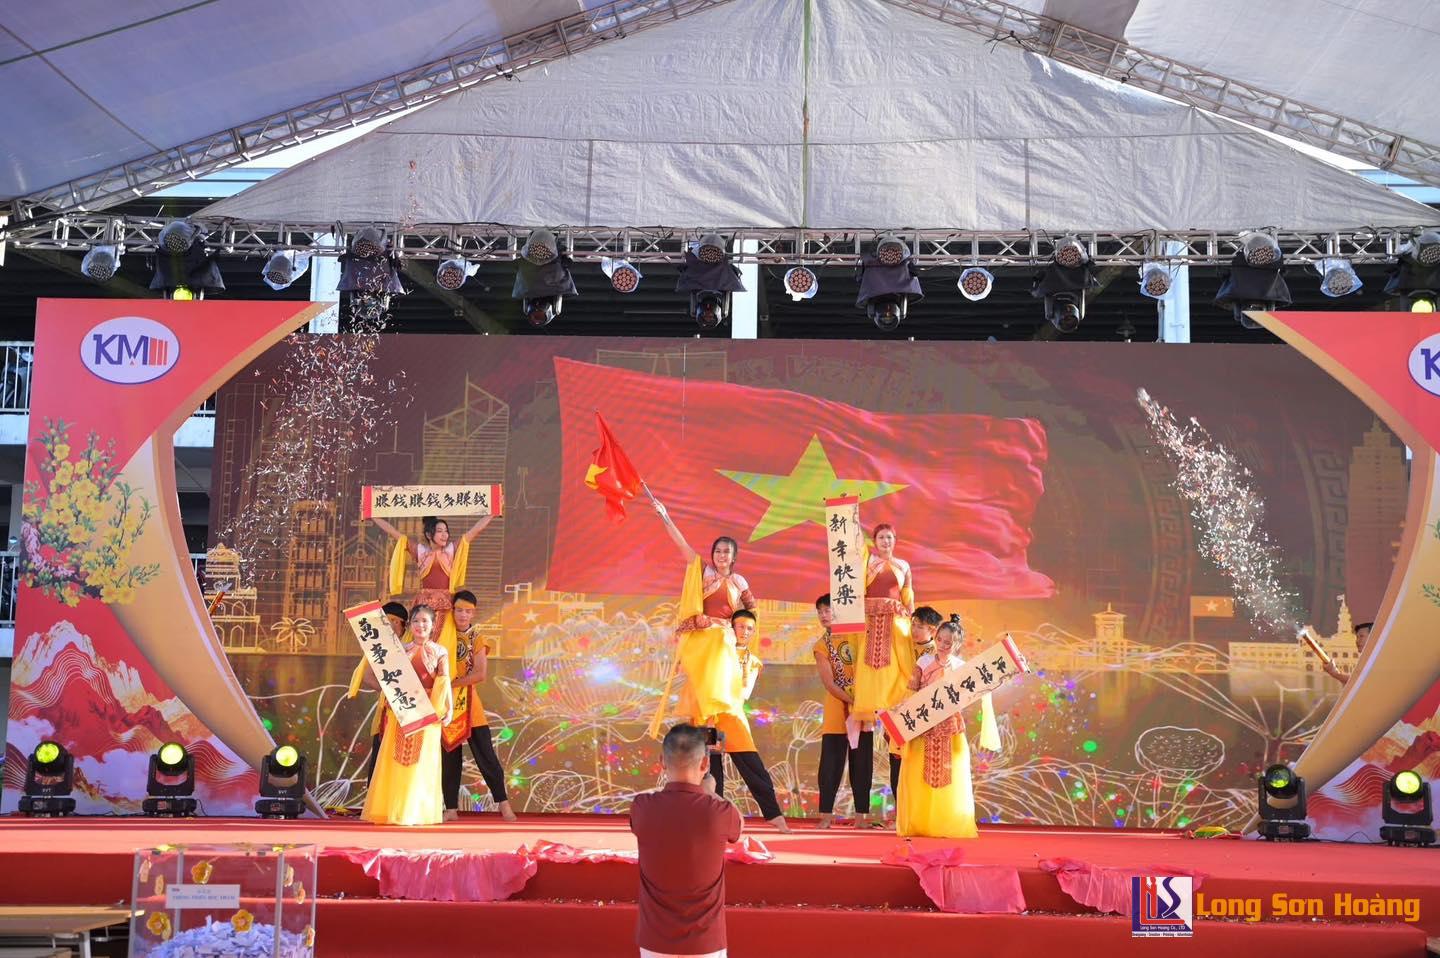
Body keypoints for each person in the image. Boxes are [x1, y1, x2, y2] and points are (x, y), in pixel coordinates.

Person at [630, 724, 742, 958]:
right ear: (705, 763)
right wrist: (710, 792)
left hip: (654, 941)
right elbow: (739, 825)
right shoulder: (719, 811)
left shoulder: (641, 807)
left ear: (662, 761)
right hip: (705, 943)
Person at [896, 614, 1000, 839]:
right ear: (935, 638)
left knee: (953, 777)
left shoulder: (962, 668)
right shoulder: (923, 662)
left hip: (951, 729)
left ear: (957, 645)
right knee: (917, 777)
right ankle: (919, 824)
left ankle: (948, 824)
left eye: (949, 642)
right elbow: (911, 693)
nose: (943, 645)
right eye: (940, 640)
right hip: (922, 726)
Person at [360, 603, 453, 826]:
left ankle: (416, 813)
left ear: (433, 625)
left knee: (422, 764)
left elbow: (444, 682)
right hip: (401, 712)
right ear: (410, 625)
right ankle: (392, 810)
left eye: (425, 621)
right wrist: (390, 693)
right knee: (397, 762)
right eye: (416, 621)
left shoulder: (440, 651)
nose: (421, 625)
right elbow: (379, 677)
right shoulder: (399, 649)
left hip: (428, 714)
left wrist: (448, 709)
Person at [372, 513, 492, 663]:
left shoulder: (450, 551)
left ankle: (442, 677)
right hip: (423, 607)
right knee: (415, 648)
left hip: (445, 608)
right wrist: (372, 515)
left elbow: (475, 531)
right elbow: (393, 532)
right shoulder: (421, 552)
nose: (445, 535)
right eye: (440, 531)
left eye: (446, 531)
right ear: (429, 534)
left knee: (444, 646)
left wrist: (492, 514)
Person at [440, 589, 518, 822]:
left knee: (486, 755)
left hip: (470, 704)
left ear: (473, 613)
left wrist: (451, 683)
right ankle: (451, 808)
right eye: (459, 610)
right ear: (452, 610)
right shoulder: (443, 636)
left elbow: (480, 674)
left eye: (468, 611)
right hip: (446, 706)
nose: (463, 615)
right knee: (449, 758)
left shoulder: (477, 637)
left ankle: (503, 803)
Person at [811, 594, 874, 828]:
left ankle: (861, 817)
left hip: (863, 708)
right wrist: (852, 700)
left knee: (862, 762)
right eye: (820, 612)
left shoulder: (856, 635)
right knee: (831, 763)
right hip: (837, 708)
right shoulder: (821, 646)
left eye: (828, 610)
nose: (824, 615)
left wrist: (863, 701)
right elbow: (829, 683)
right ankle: (826, 816)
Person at [851, 523, 916, 724]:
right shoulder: (867, 562)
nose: (885, 541)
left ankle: (894, 708)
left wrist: (913, 620)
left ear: (895, 540)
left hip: (896, 623)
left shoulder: (903, 565)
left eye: (889, 537)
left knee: (897, 665)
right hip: (869, 621)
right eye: (881, 537)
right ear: (874, 541)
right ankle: (869, 712)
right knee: (867, 664)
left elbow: (907, 596)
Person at [347, 601, 411, 786]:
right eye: (387, 620)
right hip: (387, 709)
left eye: (396, 621)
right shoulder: (379, 647)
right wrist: (390, 692)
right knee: (380, 754)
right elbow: (367, 676)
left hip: (409, 711)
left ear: (403, 626)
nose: (391, 625)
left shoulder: (412, 646)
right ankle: (374, 796)